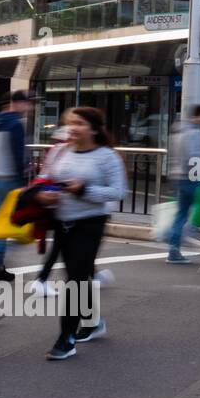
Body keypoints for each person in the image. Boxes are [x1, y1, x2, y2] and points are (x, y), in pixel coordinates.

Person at [39, 108, 126, 360]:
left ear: (94, 128)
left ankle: (66, 339)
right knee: (77, 275)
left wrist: (84, 189)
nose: (72, 128)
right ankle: (92, 322)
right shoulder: (59, 151)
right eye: (69, 123)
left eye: (79, 123)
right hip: (62, 222)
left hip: (90, 224)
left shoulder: (106, 157)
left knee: (74, 281)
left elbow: (118, 192)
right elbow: (45, 178)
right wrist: (43, 193)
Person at [165, 104, 200, 264]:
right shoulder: (196, 133)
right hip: (191, 177)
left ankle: (173, 245)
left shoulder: (178, 130)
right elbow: (194, 157)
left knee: (182, 213)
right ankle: (176, 239)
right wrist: (199, 176)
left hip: (178, 176)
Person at [0, 90, 36, 283]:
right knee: (8, 224)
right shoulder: (16, 124)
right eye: (29, 104)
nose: (30, 108)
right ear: (19, 103)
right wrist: (22, 183)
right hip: (9, 180)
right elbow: (17, 154)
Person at [30, 117, 71, 296]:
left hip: (55, 200)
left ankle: (92, 274)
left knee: (65, 243)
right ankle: (42, 279)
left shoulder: (57, 146)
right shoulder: (67, 148)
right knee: (63, 243)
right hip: (61, 201)